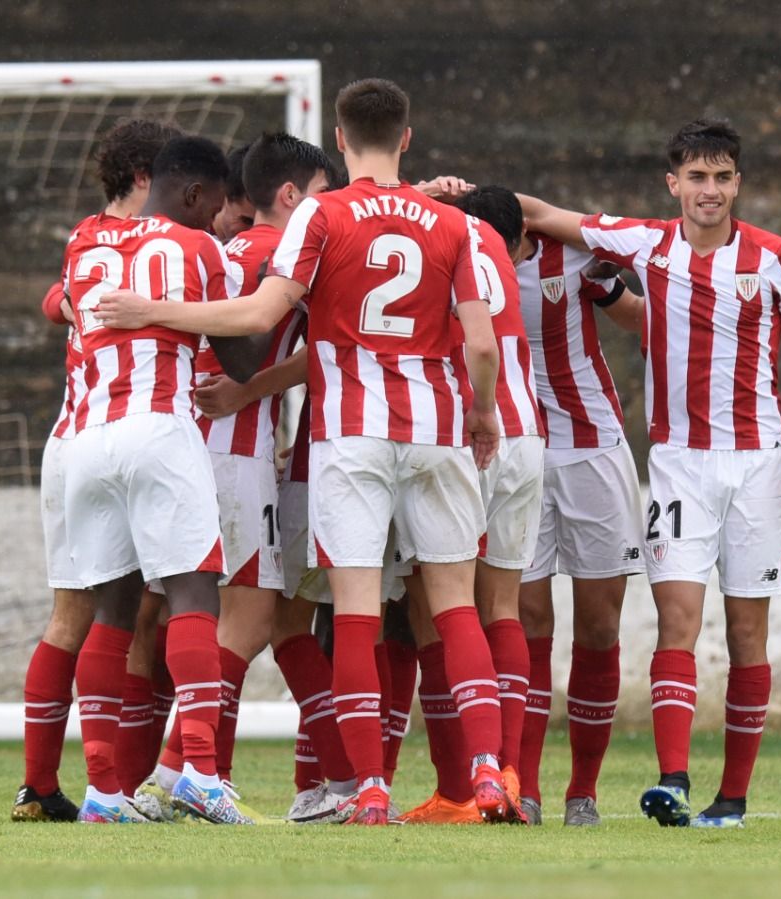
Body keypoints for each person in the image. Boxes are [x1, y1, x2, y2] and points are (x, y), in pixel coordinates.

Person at [93, 78, 522, 826]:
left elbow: (261, 313)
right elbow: (480, 342)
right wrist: (483, 413)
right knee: (456, 606)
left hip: (351, 432)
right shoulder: (446, 221)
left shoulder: (322, 213)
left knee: (353, 610)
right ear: (409, 138)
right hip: (436, 425)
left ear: (341, 135)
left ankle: (370, 789)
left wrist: (150, 310)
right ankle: (491, 774)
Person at [521, 118, 781, 829]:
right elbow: (537, 214)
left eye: (723, 177)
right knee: (677, 620)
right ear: (674, 184)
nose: (710, 190)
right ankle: (673, 779)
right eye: (696, 177)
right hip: (679, 464)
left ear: (738, 184)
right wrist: (447, 193)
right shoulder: (646, 243)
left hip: (760, 464)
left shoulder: (779, 258)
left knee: (748, 631)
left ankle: (733, 797)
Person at [59, 134, 258, 825]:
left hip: (86, 437)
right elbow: (241, 357)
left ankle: (103, 792)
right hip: (159, 430)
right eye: (215, 206)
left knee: (110, 612)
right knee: (194, 591)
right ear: (196, 195)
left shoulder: (84, 243)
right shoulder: (201, 249)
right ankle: (201, 771)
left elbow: (61, 307)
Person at [143, 132, 337, 814]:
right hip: (234, 453)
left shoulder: (228, 249)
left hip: (197, 446)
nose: (330, 208)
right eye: (322, 195)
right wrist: (255, 395)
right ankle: (174, 774)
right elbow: (335, 346)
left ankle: (314, 784)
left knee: (251, 621)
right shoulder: (287, 254)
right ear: (290, 195)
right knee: (248, 625)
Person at [13, 118, 179, 823]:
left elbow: (57, 298)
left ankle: (42, 783)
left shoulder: (83, 239)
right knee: (140, 607)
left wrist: (62, 304)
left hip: (71, 440)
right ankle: (116, 785)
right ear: (145, 179)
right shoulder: (170, 246)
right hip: (138, 435)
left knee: (74, 613)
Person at [501, 182, 650, 827]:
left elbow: (639, 310)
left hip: (594, 451)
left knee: (598, 624)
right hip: (518, 455)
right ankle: (525, 787)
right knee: (529, 617)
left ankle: (582, 791)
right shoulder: (466, 265)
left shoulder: (575, 257)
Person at [399, 186, 544, 825]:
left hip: (466, 429)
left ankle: (460, 787)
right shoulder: (502, 255)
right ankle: (506, 775)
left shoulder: (441, 240)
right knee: (502, 606)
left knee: (438, 608)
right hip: (526, 433)